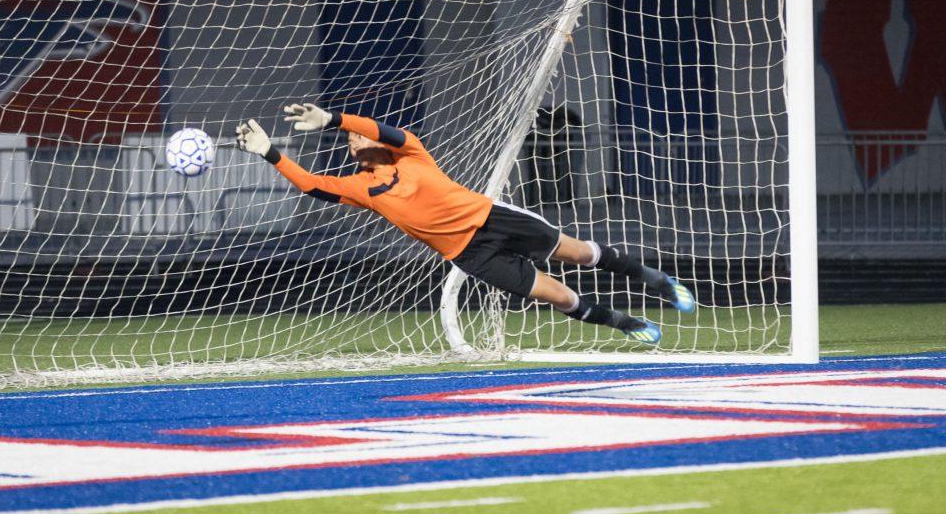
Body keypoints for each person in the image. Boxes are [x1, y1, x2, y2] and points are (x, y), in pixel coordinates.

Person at [235, 104, 694, 344]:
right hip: (469, 254)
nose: (359, 136)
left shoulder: (411, 151)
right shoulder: (361, 187)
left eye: (361, 132)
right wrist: (270, 154)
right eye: (352, 138)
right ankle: (627, 324)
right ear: (353, 153)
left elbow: (387, 132)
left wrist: (333, 119)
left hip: (493, 219)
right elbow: (313, 186)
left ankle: (658, 281)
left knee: (582, 254)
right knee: (559, 296)